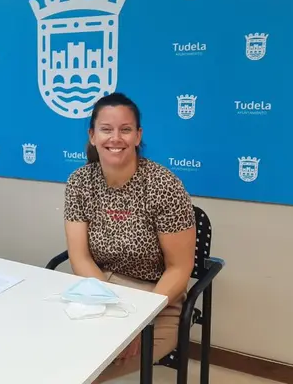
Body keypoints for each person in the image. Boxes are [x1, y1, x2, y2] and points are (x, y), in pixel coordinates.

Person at [63, 93, 196, 382]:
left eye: (125, 129)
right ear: (92, 136)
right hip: (98, 289)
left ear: (138, 136)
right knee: (57, 352)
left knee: (84, 371)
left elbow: (179, 268)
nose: (116, 138)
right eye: (106, 129)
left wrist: (139, 321)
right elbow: (80, 257)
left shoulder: (164, 185)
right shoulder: (79, 182)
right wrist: (110, 302)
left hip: (157, 300)